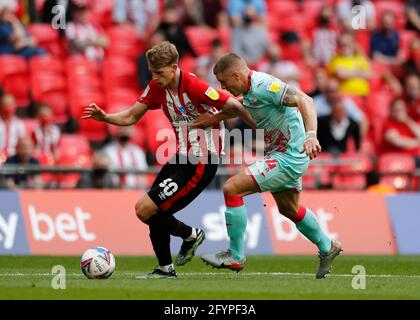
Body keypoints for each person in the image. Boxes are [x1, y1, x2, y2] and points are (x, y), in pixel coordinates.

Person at [82, 41, 254, 279]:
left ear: (174, 68)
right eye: (153, 72)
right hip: (181, 157)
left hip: (201, 161)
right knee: (152, 209)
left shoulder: (194, 85)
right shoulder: (157, 86)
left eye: (160, 73)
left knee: (145, 209)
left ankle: (190, 235)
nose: (156, 77)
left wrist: (215, 120)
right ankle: (166, 268)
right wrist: (106, 117)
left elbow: (234, 105)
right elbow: (132, 116)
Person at [191, 53, 342, 279]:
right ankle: (327, 246)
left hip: (289, 156)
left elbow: (305, 100)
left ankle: (236, 255)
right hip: (283, 154)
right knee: (289, 209)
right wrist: (214, 118)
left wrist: (311, 135)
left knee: (232, 188)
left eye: (224, 82)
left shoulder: (264, 85)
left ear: (236, 74)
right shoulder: (251, 91)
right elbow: (241, 104)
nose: (223, 87)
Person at [0, 94, 25, 161]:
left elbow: (22, 142)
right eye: (5, 105)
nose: (8, 108)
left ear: (15, 106)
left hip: (14, 157)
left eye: (10, 105)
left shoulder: (19, 124)